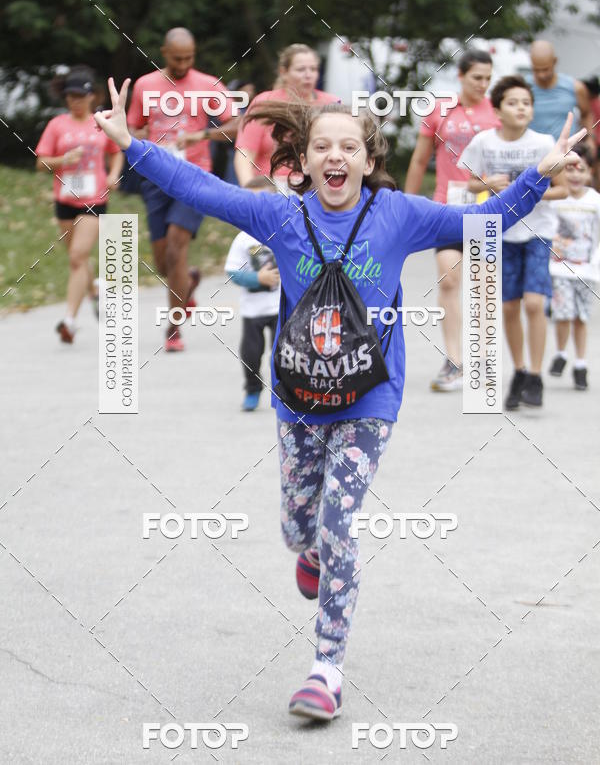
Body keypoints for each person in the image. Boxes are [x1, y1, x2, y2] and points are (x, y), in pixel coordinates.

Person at [95, 76, 583, 723]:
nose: (335, 156)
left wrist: (537, 175)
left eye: (348, 146)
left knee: (337, 522)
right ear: (304, 159)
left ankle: (326, 669)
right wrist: (133, 143)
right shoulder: (281, 214)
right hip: (298, 396)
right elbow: (202, 190)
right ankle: (310, 551)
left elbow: (482, 222)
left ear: (367, 159)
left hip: (370, 400)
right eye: (323, 145)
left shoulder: (400, 215)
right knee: (298, 527)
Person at [127, 27, 241, 352]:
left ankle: (174, 329)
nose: (183, 64)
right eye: (177, 59)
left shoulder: (208, 85)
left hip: (193, 177)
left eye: (189, 58)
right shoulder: (145, 85)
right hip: (155, 176)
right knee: (164, 263)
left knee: (177, 247)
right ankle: (187, 282)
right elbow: (133, 126)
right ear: (164, 53)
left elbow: (236, 124)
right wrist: (143, 133)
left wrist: (203, 136)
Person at [461, 74, 567, 409]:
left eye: (526, 103)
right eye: (513, 102)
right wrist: (486, 184)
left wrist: (530, 194)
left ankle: (536, 375)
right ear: (498, 110)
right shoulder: (483, 142)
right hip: (498, 232)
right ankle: (519, 370)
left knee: (535, 303)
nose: (521, 108)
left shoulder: (542, 142)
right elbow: (470, 184)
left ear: (532, 112)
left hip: (538, 233)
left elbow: (562, 188)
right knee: (507, 306)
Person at [405, 49, 500, 391]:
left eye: (488, 78)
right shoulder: (439, 110)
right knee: (448, 281)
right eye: (477, 77)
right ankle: (454, 360)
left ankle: (483, 360)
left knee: (483, 287)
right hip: (447, 207)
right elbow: (418, 161)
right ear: (460, 76)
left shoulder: (498, 112)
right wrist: (407, 204)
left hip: (486, 208)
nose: (483, 84)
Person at [35, 67, 123, 343]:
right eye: (71, 96)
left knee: (77, 257)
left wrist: (112, 174)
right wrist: (63, 160)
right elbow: (41, 163)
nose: (76, 101)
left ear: (92, 95)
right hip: (64, 199)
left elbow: (117, 149)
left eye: (81, 96)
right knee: (78, 258)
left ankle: (69, 322)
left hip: (94, 200)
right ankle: (95, 289)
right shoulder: (57, 125)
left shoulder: (101, 121)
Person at [233, 43, 339, 191]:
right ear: (283, 72)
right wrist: (251, 191)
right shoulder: (265, 102)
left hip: (318, 187)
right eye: (301, 69)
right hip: (271, 187)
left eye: (313, 69)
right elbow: (245, 154)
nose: (308, 75)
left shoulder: (332, 103)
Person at [224, 176, 280, 411]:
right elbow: (233, 272)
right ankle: (253, 388)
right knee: (250, 354)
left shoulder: (285, 231)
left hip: (282, 307)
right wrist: (258, 278)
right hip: (253, 310)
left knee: (284, 354)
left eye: (263, 202)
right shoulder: (243, 238)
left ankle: (286, 392)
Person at [548, 143, 600, 390]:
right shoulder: (555, 199)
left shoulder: (595, 200)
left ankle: (580, 363)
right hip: (558, 268)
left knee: (581, 317)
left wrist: (595, 263)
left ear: (590, 172)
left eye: (581, 170)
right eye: (570, 170)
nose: (575, 175)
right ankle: (561, 353)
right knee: (562, 314)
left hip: (585, 270)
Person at [529, 40, 594, 142]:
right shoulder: (524, 87)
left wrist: (589, 138)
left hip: (565, 152)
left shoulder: (575, 87)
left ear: (554, 61)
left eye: (545, 69)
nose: (541, 75)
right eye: (536, 70)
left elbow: (586, 114)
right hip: (533, 152)